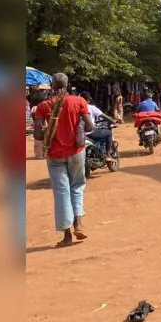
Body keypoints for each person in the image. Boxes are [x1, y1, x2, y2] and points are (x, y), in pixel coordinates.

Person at [31, 73, 95, 248]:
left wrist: (46, 131)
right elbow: (90, 126)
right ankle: (79, 224)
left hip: (55, 155)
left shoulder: (43, 106)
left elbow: (37, 134)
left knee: (61, 192)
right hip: (76, 152)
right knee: (77, 187)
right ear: (67, 85)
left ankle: (67, 236)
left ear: (52, 86)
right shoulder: (79, 101)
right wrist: (79, 126)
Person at [79, 91, 115, 164]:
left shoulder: (75, 107)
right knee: (108, 133)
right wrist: (113, 121)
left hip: (78, 133)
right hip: (90, 132)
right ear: (88, 100)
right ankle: (108, 155)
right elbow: (104, 116)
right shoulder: (91, 107)